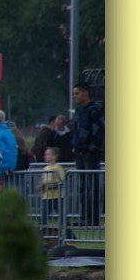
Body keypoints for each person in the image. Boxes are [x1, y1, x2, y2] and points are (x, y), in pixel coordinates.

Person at [71, 81, 105, 225]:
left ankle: (93, 218)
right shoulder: (78, 110)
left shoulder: (95, 109)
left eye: (77, 93)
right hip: (79, 151)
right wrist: (74, 145)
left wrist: (92, 147)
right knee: (83, 186)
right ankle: (84, 217)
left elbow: (99, 130)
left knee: (92, 186)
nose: (75, 96)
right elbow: (75, 129)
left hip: (90, 152)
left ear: (86, 92)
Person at [40, 146, 66, 242]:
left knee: (62, 218)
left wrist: (50, 185)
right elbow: (44, 182)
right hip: (46, 197)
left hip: (57, 197)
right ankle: (42, 236)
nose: (45, 156)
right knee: (43, 218)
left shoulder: (58, 168)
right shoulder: (45, 168)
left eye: (48, 154)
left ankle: (70, 236)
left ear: (54, 156)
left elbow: (61, 181)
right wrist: (42, 186)